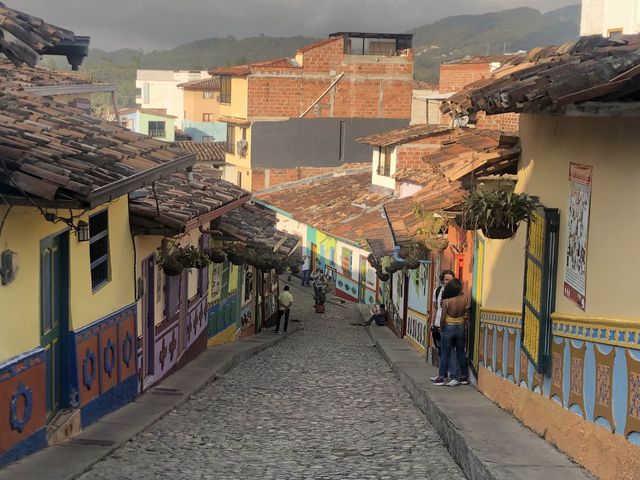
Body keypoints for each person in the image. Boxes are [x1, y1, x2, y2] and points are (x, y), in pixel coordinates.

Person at [432, 278, 469, 387]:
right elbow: (466, 313)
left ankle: (442, 377)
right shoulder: (465, 299)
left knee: (445, 353)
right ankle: (464, 376)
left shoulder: (446, 302)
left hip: (449, 327)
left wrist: (442, 328)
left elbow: (443, 318)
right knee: (461, 352)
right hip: (461, 326)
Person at [430, 270, 459, 382]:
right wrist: (432, 323)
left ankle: (453, 376)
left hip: (449, 325)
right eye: (446, 279)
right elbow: (435, 308)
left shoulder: (456, 293)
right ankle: (442, 374)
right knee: (441, 350)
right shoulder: (437, 291)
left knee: (450, 350)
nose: (448, 282)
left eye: (451, 280)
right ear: (442, 280)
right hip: (438, 325)